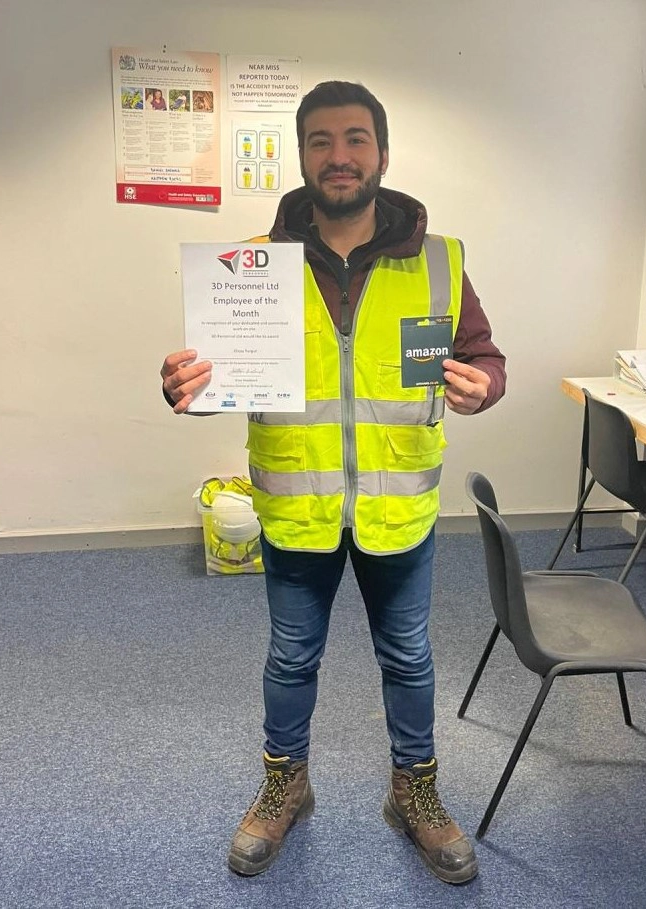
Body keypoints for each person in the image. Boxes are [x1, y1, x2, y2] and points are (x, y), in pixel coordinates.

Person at [160, 81, 506, 884]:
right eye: (320, 140)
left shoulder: (439, 259)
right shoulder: (251, 264)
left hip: (398, 507)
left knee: (410, 658)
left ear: (382, 153)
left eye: (355, 139)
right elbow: (207, 371)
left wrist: (483, 384)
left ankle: (412, 792)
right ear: (301, 154)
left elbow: (483, 354)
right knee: (290, 656)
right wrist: (179, 381)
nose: (339, 156)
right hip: (298, 506)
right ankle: (288, 784)